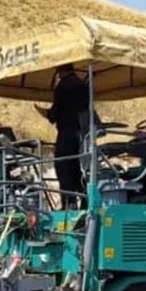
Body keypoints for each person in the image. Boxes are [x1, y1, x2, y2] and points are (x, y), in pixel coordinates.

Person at [44, 63, 94, 209]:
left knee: (63, 166)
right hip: (83, 133)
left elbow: (55, 113)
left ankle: (68, 202)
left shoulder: (63, 86)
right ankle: (85, 201)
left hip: (67, 133)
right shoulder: (83, 85)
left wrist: (47, 113)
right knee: (82, 168)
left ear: (60, 71)